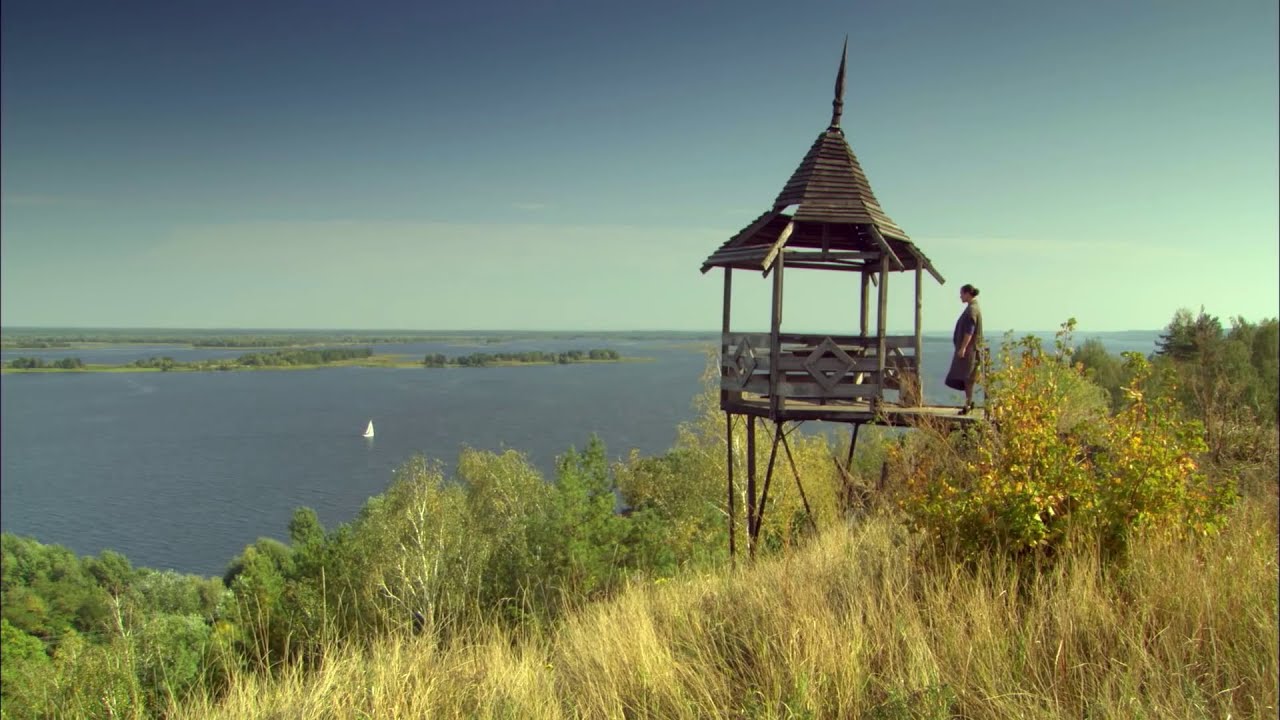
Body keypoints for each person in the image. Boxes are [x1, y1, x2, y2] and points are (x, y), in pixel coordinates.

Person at [945, 284, 983, 414]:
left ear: (967, 293)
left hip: (969, 350)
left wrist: (963, 348)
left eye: (961, 293)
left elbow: (969, 331)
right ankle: (968, 403)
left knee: (967, 377)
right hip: (969, 349)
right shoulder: (972, 308)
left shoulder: (972, 309)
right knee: (967, 378)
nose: (960, 296)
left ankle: (968, 404)